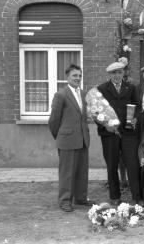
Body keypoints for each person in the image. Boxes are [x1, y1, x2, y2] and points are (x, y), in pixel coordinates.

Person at [48, 64, 95, 212]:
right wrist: (61, 136)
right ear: (67, 77)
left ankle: (80, 198)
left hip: (82, 139)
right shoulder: (61, 95)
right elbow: (54, 120)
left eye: (80, 76)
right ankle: (65, 201)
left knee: (82, 171)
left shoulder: (84, 94)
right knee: (67, 173)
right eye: (75, 75)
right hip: (67, 140)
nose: (78, 78)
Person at [96, 62, 141, 206]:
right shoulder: (101, 89)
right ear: (110, 74)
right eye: (114, 73)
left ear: (123, 73)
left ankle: (136, 196)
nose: (117, 75)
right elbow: (96, 111)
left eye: (119, 72)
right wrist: (105, 125)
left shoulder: (131, 87)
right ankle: (115, 196)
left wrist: (135, 119)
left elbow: (138, 107)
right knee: (112, 164)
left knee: (132, 164)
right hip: (110, 133)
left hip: (128, 133)